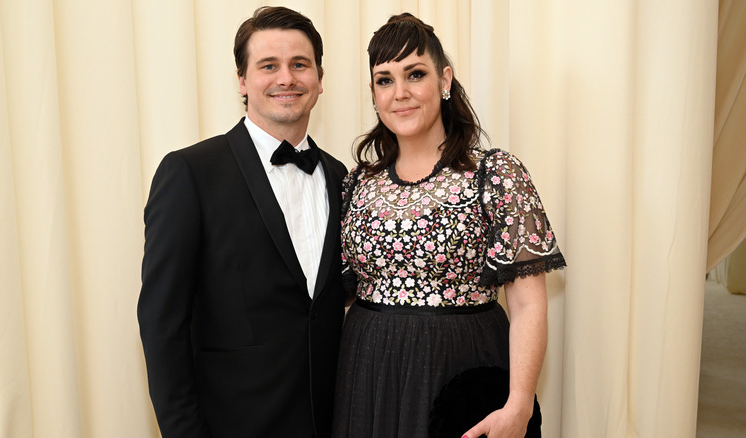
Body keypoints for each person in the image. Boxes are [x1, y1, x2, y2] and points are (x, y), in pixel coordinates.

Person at [333, 13, 566, 438]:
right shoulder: (356, 183)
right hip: (368, 374)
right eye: (384, 80)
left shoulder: (495, 175)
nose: (399, 93)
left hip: (461, 371)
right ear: (372, 93)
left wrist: (519, 406)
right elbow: (339, 296)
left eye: (414, 74)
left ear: (444, 79)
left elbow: (529, 305)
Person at [137, 6, 347, 438]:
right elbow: (162, 324)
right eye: (268, 65)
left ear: (319, 80)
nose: (285, 78)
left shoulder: (341, 176)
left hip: (334, 422)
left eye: (299, 65)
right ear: (242, 79)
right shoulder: (190, 173)